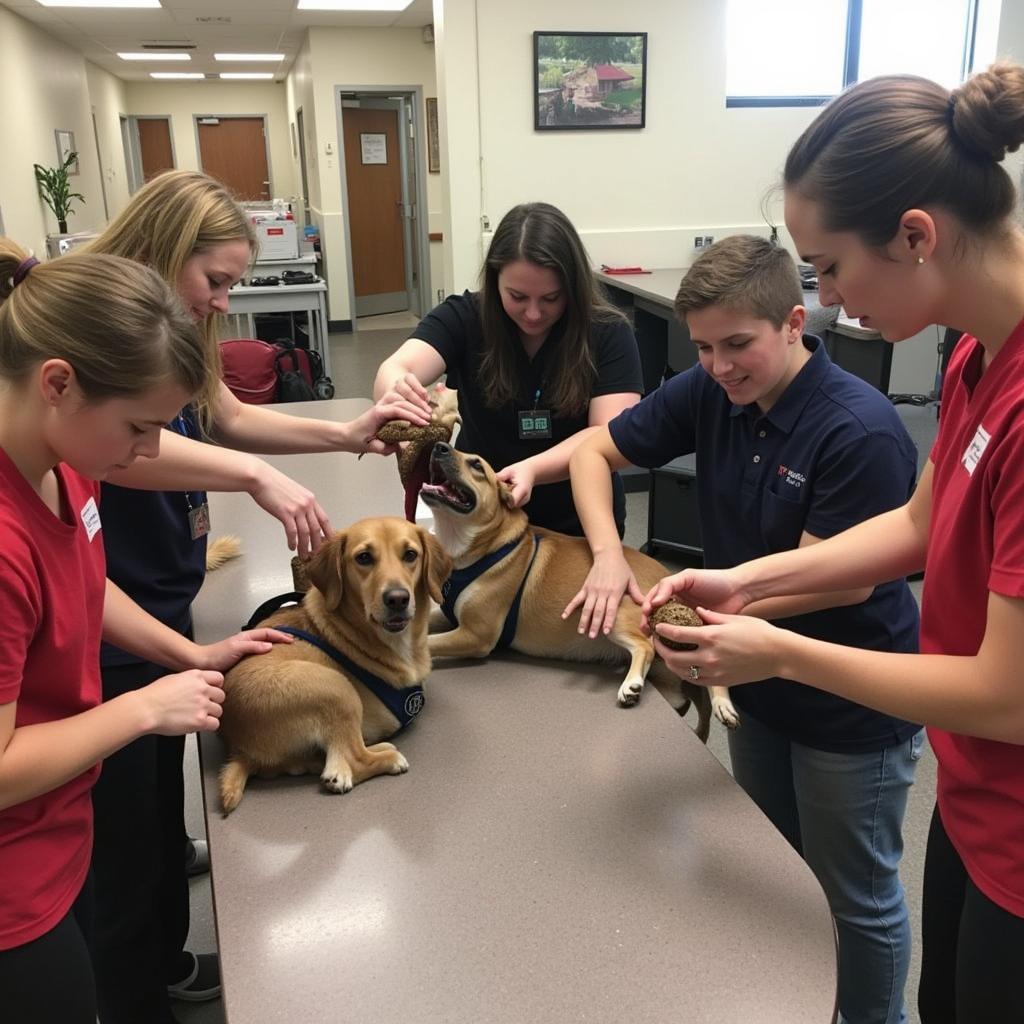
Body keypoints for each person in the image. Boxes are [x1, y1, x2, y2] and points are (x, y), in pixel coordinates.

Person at [640, 66, 1024, 1024]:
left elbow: (1009, 696)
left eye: (831, 267)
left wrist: (775, 647)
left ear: (916, 236)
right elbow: (912, 530)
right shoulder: (976, 352)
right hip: (974, 802)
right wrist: (743, 580)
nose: (831, 299)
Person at [82, 170, 432, 1024]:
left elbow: (220, 413)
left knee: (162, 797)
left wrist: (342, 435)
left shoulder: (177, 330)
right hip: (107, 612)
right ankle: (135, 988)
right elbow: (129, 449)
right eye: (216, 280)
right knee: (119, 833)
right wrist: (257, 477)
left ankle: (164, 950)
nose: (224, 300)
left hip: (160, 597)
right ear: (164, 254)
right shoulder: (103, 340)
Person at [567, 234, 922, 1023]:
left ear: (794, 322)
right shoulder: (708, 391)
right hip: (757, 689)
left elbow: (842, 576)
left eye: (738, 345)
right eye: (702, 347)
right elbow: (595, 452)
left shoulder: (855, 430)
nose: (719, 366)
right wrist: (606, 557)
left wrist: (706, 621)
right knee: (778, 872)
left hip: (848, 707)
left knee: (855, 896)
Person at [0, 240, 289, 1024]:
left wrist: (192, 655)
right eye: (138, 427)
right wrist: (142, 710)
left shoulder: (63, 459)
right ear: (57, 383)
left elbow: (87, 584)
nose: (146, 452)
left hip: (60, 830)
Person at [374, 201, 643, 536]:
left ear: (573, 289)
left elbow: (610, 435)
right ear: (495, 279)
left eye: (551, 299)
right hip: (482, 524)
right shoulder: (465, 317)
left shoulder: (607, 332)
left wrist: (533, 469)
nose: (533, 313)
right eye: (517, 296)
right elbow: (397, 366)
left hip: (580, 522)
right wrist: (398, 390)